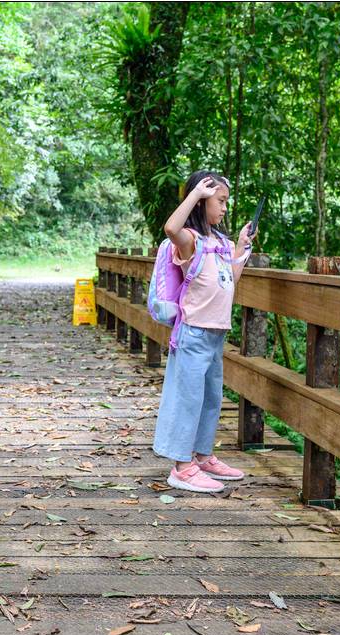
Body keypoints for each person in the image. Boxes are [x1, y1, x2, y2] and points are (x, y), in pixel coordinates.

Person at [152, 170, 256, 493]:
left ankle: (203, 455)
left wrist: (240, 246)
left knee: (211, 398)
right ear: (202, 202)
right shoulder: (190, 240)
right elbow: (170, 228)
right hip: (193, 333)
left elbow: (230, 281)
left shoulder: (220, 243)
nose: (225, 208)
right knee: (188, 398)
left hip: (215, 334)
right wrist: (194, 194)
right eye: (220, 201)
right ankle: (181, 467)